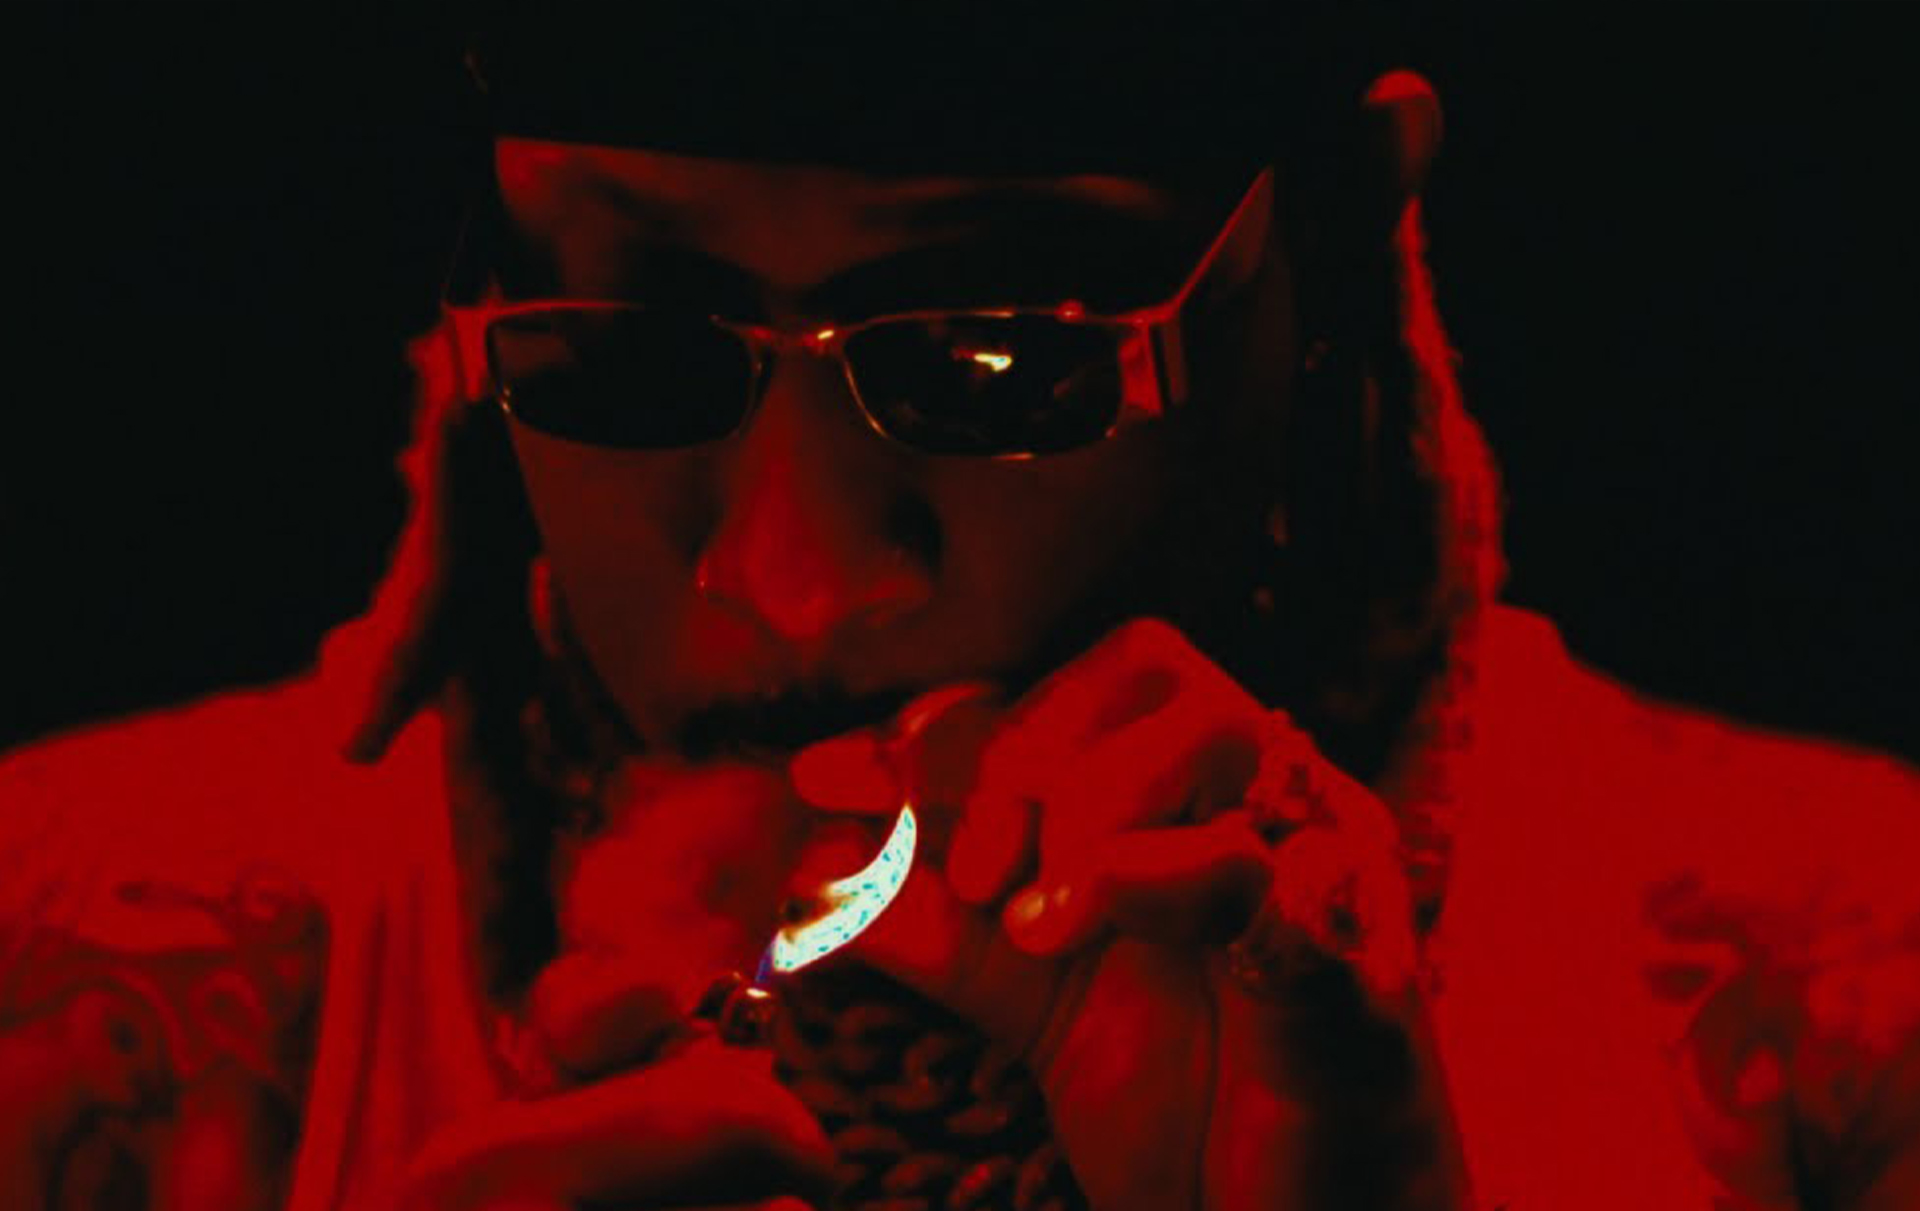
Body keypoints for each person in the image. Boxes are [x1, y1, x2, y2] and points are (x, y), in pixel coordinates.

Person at [3, 11, 1916, 1210]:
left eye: (996, 357)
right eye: (637, 344)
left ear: (1325, 246)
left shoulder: (1843, 1010)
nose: (795, 576)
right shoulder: (90, 986)